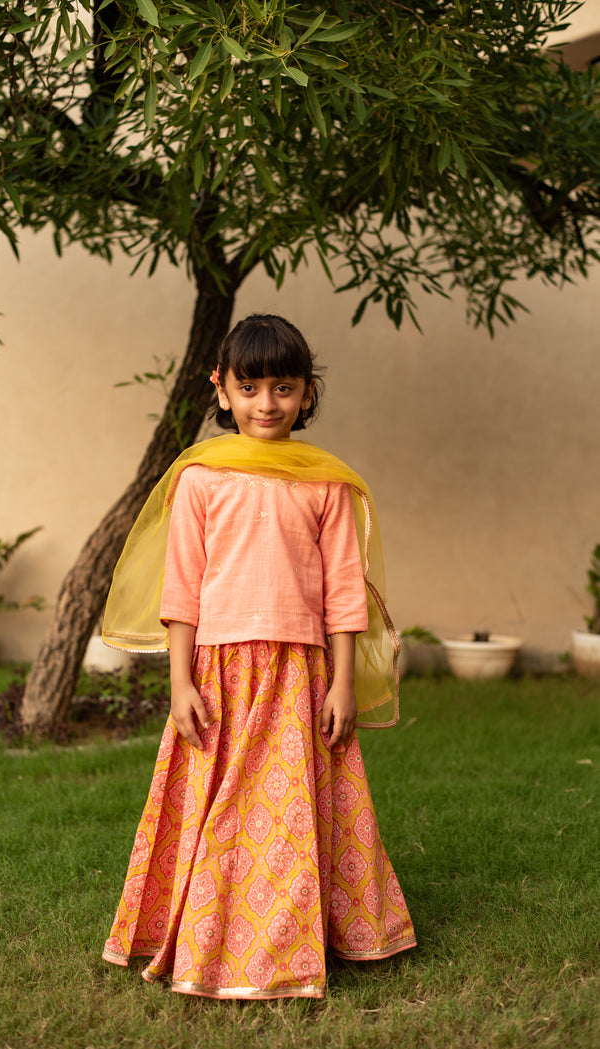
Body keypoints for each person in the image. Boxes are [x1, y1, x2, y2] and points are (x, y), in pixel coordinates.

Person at [101, 314, 416, 999]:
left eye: (283, 387)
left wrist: (341, 684)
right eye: (249, 388)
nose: (266, 403)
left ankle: (293, 941)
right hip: (219, 673)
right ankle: (207, 933)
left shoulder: (326, 484)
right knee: (220, 805)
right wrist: (179, 680)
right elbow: (182, 589)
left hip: (300, 673)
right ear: (221, 390)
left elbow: (343, 593)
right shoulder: (201, 479)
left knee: (291, 809)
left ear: (308, 392)